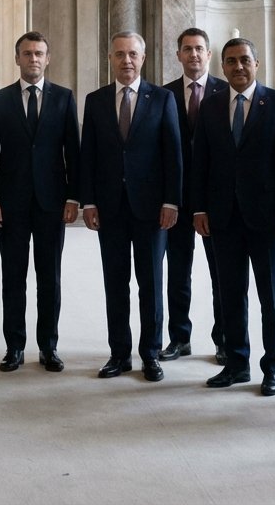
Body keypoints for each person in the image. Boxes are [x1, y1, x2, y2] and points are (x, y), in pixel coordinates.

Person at [192, 38, 275, 397]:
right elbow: (202, 161)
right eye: (231, 61)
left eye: (244, 60)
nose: (238, 67)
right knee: (230, 294)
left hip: (269, 218)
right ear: (222, 67)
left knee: (272, 297)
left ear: (257, 63)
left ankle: (274, 367)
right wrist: (199, 208)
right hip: (223, 216)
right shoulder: (210, 107)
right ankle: (236, 363)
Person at [80, 31, 181, 382]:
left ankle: (150, 353)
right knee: (115, 282)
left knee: (151, 283)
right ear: (110, 58)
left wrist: (171, 200)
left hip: (152, 208)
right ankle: (119, 354)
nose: (126, 60)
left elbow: (173, 154)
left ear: (143, 58)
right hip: (109, 207)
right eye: (120, 54)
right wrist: (88, 201)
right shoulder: (95, 101)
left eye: (133, 54)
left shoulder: (164, 98)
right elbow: (87, 156)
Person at [0, 32, 79, 372]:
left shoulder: (65, 99)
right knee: (13, 277)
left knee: (49, 277)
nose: (33, 59)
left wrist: (73, 196)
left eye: (39, 53)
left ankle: (49, 347)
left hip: (52, 202)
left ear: (47, 58)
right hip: (11, 203)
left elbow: (74, 152)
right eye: (27, 53)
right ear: (17, 58)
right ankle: (14, 347)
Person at [161, 27, 228, 364]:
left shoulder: (227, 92)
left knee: (222, 272)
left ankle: (224, 338)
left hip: (216, 200)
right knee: (178, 272)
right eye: (187, 49)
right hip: (177, 198)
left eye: (200, 48)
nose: (194, 55)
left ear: (209, 53)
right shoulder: (163, 95)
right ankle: (179, 338)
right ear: (178, 56)